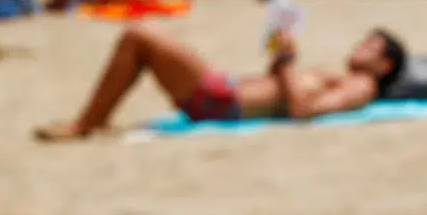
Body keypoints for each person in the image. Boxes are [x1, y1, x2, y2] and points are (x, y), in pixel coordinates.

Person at [35, 25, 407, 140]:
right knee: (142, 43)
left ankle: (88, 123)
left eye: (370, 46)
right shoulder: (339, 76)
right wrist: (280, 61)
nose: (359, 46)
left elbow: (303, 110)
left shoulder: (363, 88)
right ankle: (92, 120)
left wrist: (289, 63)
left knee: (138, 38)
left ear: (385, 64)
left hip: (224, 100)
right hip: (225, 91)